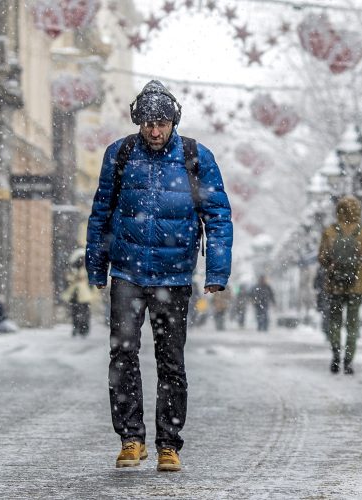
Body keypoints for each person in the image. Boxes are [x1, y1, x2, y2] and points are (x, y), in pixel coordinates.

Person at [85, 80, 233, 471]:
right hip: (128, 273)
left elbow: (218, 215)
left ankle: (169, 444)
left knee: (171, 361)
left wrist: (217, 270)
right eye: (148, 123)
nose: (155, 131)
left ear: (173, 122)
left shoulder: (195, 156)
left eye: (162, 123)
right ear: (138, 121)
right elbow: (101, 212)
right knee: (122, 354)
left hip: (174, 276)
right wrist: (96, 265)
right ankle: (131, 438)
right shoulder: (119, 155)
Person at [318, 195, 362, 375]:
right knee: (352, 324)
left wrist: (333, 267)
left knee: (335, 321)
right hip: (355, 287)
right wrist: (359, 268)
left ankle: (336, 353)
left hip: (334, 285)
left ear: (338, 211)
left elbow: (322, 259)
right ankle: (348, 361)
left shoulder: (330, 231)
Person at [61, 248, 96, 337]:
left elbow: (91, 280)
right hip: (75, 293)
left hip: (85, 294)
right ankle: (76, 327)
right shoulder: (73, 268)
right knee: (75, 312)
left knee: (85, 312)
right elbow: (68, 279)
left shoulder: (88, 267)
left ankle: (84, 329)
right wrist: (75, 277)